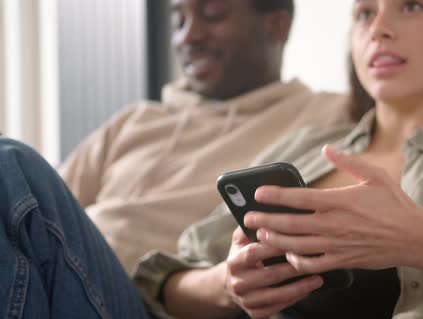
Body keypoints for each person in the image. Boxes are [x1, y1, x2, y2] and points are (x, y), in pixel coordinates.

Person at [0, 1, 423, 319]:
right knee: (10, 166)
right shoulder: (309, 144)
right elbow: (164, 283)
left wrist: (412, 236)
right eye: (363, 13)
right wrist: (228, 285)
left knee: (12, 166)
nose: (379, 26)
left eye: (410, 5)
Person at [58, 0, 350, 273]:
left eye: (213, 15)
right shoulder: (134, 121)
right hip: (63, 270)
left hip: (149, 295)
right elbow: (44, 208)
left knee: (11, 159)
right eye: (179, 20)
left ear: (276, 25)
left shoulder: (328, 114)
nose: (189, 36)